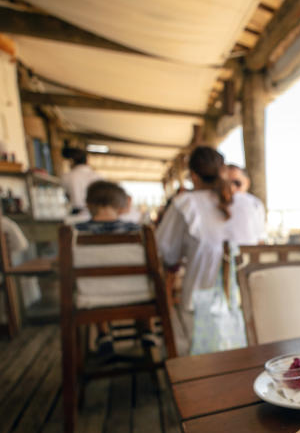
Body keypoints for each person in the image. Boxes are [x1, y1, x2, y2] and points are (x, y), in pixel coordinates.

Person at [157, 147, 266, 341]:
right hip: (247, 303)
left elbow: (167, 253)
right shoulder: (252, 204)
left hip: (200, 305)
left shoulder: (185, 204)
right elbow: (259, 246)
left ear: (193, 176)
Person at [75, 180, 153, 355]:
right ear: (121, 204)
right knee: (141, 279)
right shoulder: (138, 231)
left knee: (94, 284)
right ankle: (147, 329)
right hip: (138, 294)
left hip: (91, 298)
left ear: (88, 204)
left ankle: (103, 333)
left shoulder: (75, 233)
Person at [61, 148, 102, 214]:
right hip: (95, 213)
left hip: (76, 212)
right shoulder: (98, 176)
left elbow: (65, 194)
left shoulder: (67, 176)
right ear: (86, 161)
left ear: (72, 161)